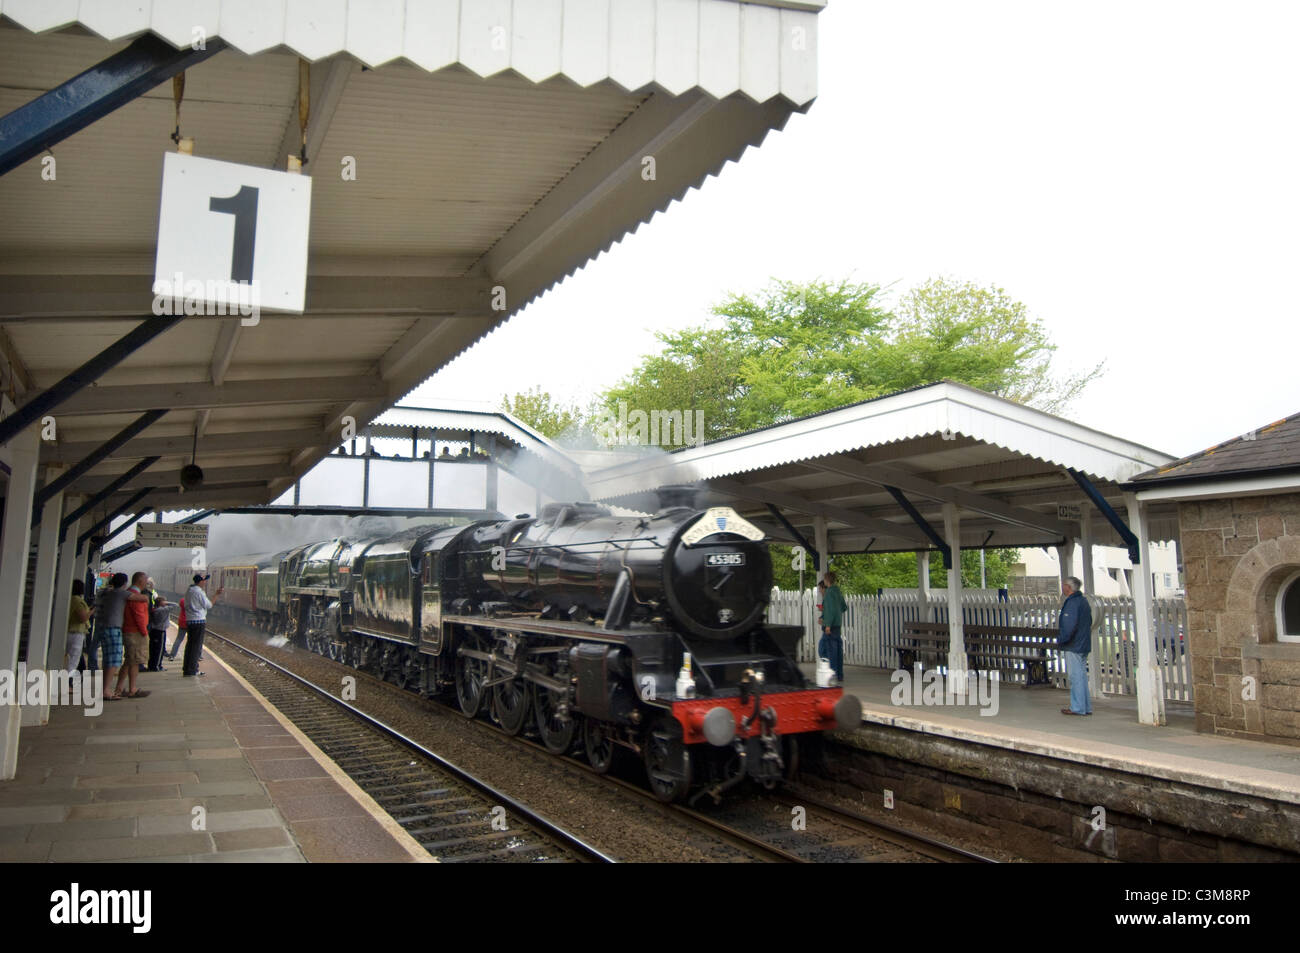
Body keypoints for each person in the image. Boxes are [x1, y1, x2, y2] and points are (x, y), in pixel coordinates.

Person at [95, 573, 149, 701]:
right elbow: (143, 600)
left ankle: (110, 689)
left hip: (105, 627)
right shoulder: (121, 593)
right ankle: (106, 691)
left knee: (111, 660)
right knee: (114, 660)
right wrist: (144, 631)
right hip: (114, 629)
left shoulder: (108, 593)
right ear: (124, 583)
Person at [114, 571, 153, 699]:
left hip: (129, 630)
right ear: (140, 581)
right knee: (135, 662)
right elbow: (139, 616)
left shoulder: (132, 593)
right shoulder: (135, 596)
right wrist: (144, 632)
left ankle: (119, 689)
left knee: (129, 661)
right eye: (146, 581)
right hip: (135, 632)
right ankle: (132, 689)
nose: (147, 583)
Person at [1058, 575, 1093, 716]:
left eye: (1064, 585)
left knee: (1075, 677)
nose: (1062, 587)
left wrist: (1062, 640)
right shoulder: (1083, 601)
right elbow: (1089, 621)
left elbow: (1068, 625)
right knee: (1082, 676)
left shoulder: (1071, 603)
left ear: (1068, 587)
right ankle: (1086, 706)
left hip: (1073, 645)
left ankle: (1077, 707)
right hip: (1083, 643)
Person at [182, 574, 222, 677]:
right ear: (200, 582)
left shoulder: (189, 590)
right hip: (198, 621)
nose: (205, 582)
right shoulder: (199, 592)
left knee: (190, 645)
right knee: (196, 647)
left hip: (190, 620)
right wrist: (216, 595)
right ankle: (192, 670)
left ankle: (187, 668)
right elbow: (209, 605)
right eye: (204, 580)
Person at [819, 572, 848, 685]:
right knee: (838, 651)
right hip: (838, 625)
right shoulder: (837, 591)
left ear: (827, 580)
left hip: (830, 626)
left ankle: (832, 674)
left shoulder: (830, 593)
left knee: (827, 650)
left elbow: (830, 610)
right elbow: (843, 607)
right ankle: (839, 675)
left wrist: (827, 624)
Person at [145, 581, 173, 672]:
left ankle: (152, 665)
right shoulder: (162, 610)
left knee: (153, 649)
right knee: (159, 649)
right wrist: (167, 603)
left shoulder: (156, 610)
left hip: (154, 630)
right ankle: (156, 666)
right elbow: (175, 605)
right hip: (160, 631)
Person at [65, 579, 92, 673]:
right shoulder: (78, 601)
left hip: (68, 631)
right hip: (76, 633)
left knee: (74, 660)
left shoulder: (70, 599)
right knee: (73, 661)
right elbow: (83, 618)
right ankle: (67, 683)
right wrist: (92, 611)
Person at [169, 593, 188, 660]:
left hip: (182, 621)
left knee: (179, 639)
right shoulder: (193, 601)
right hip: (190, 622)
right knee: (193, 640)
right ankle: (197, 656)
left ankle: (172, 655)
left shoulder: (182, 600)